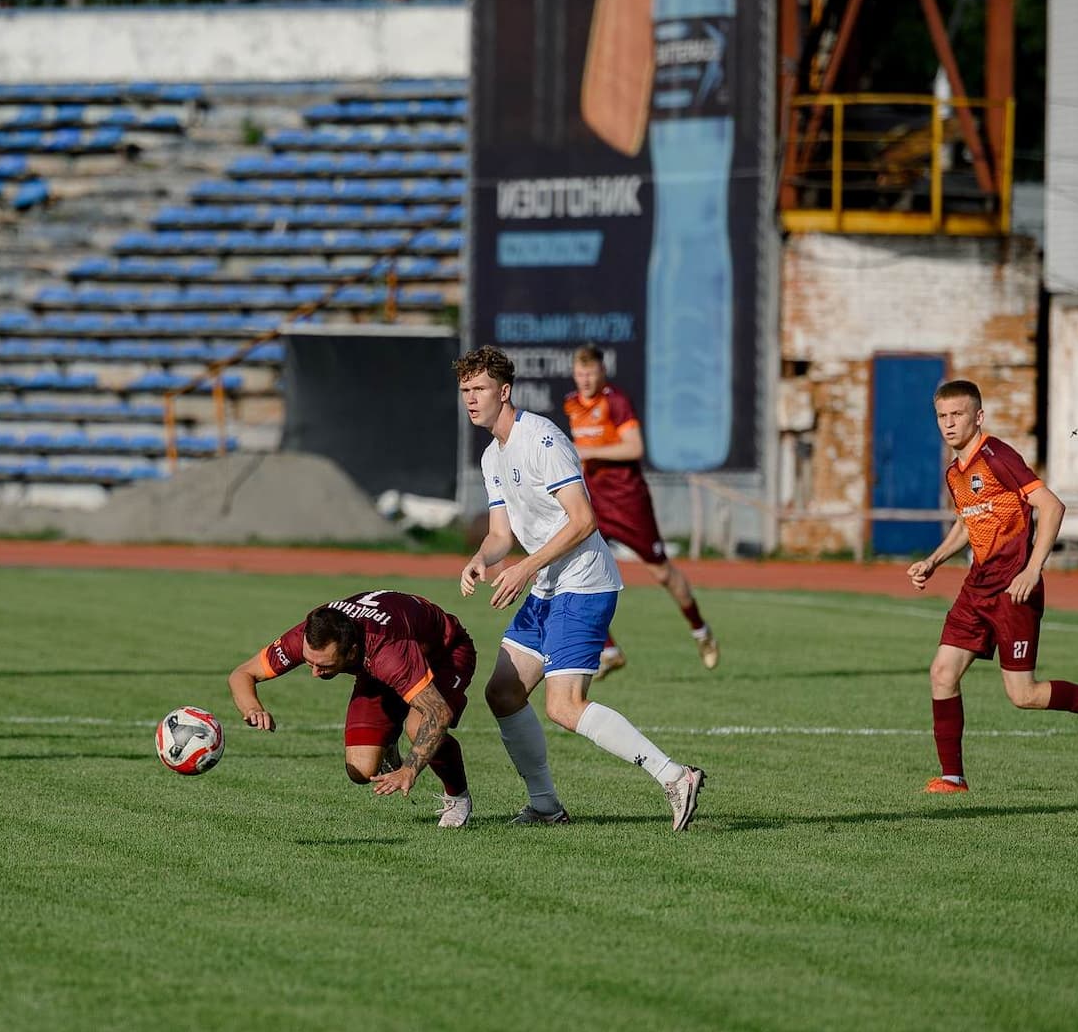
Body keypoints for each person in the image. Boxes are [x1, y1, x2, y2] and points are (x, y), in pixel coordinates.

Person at [397, 346, 705, 830]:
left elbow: (584, 521)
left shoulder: (540, 438)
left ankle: (675, 776)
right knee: (502, 692)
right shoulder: (491, 456)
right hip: (547, 586)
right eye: (464, 391)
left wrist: (523, 568)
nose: (471, 399)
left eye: (478, 389)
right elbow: (502, 534)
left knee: (564, 707)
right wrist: (481, 559)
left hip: (583, 583)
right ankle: (545, 805)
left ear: (504, 391)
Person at [906, 379, 1078, 793]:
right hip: (977, 587)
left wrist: (1032, 570)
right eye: (942, 416)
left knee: (1024, 695)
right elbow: (969, 521)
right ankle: (952, 777)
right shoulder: (955, 472)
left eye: (957, 415)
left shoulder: (998, 457)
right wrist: (933, 560)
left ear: (978, 417)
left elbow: (1051, 506)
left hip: (1014, 590)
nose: (948, 423)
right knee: (942, 673)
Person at [229, 590, 476, 828]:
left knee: (417, 726)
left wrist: (409, 769)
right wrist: (253, 709)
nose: (314, 673)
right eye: (308, 662)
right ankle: (388, 740)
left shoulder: (388, 653)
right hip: (382, 669)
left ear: (352, 652)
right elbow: (242, 674)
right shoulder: (310, 634)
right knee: (361, 769)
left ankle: (457, 797)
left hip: (444, 654)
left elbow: (439, 713)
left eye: (323, 666)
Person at [562, 343, 718, 678]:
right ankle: (609, 650)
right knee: (571, 566)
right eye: (579, 373)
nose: (584, 379)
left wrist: (589, 450)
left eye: (590, 372)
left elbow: (634, 447)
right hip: (593, 502)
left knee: (661, 573)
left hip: (628, 501)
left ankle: (700, 631)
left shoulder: (615, 401)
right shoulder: (572, 404)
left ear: (602, 371)